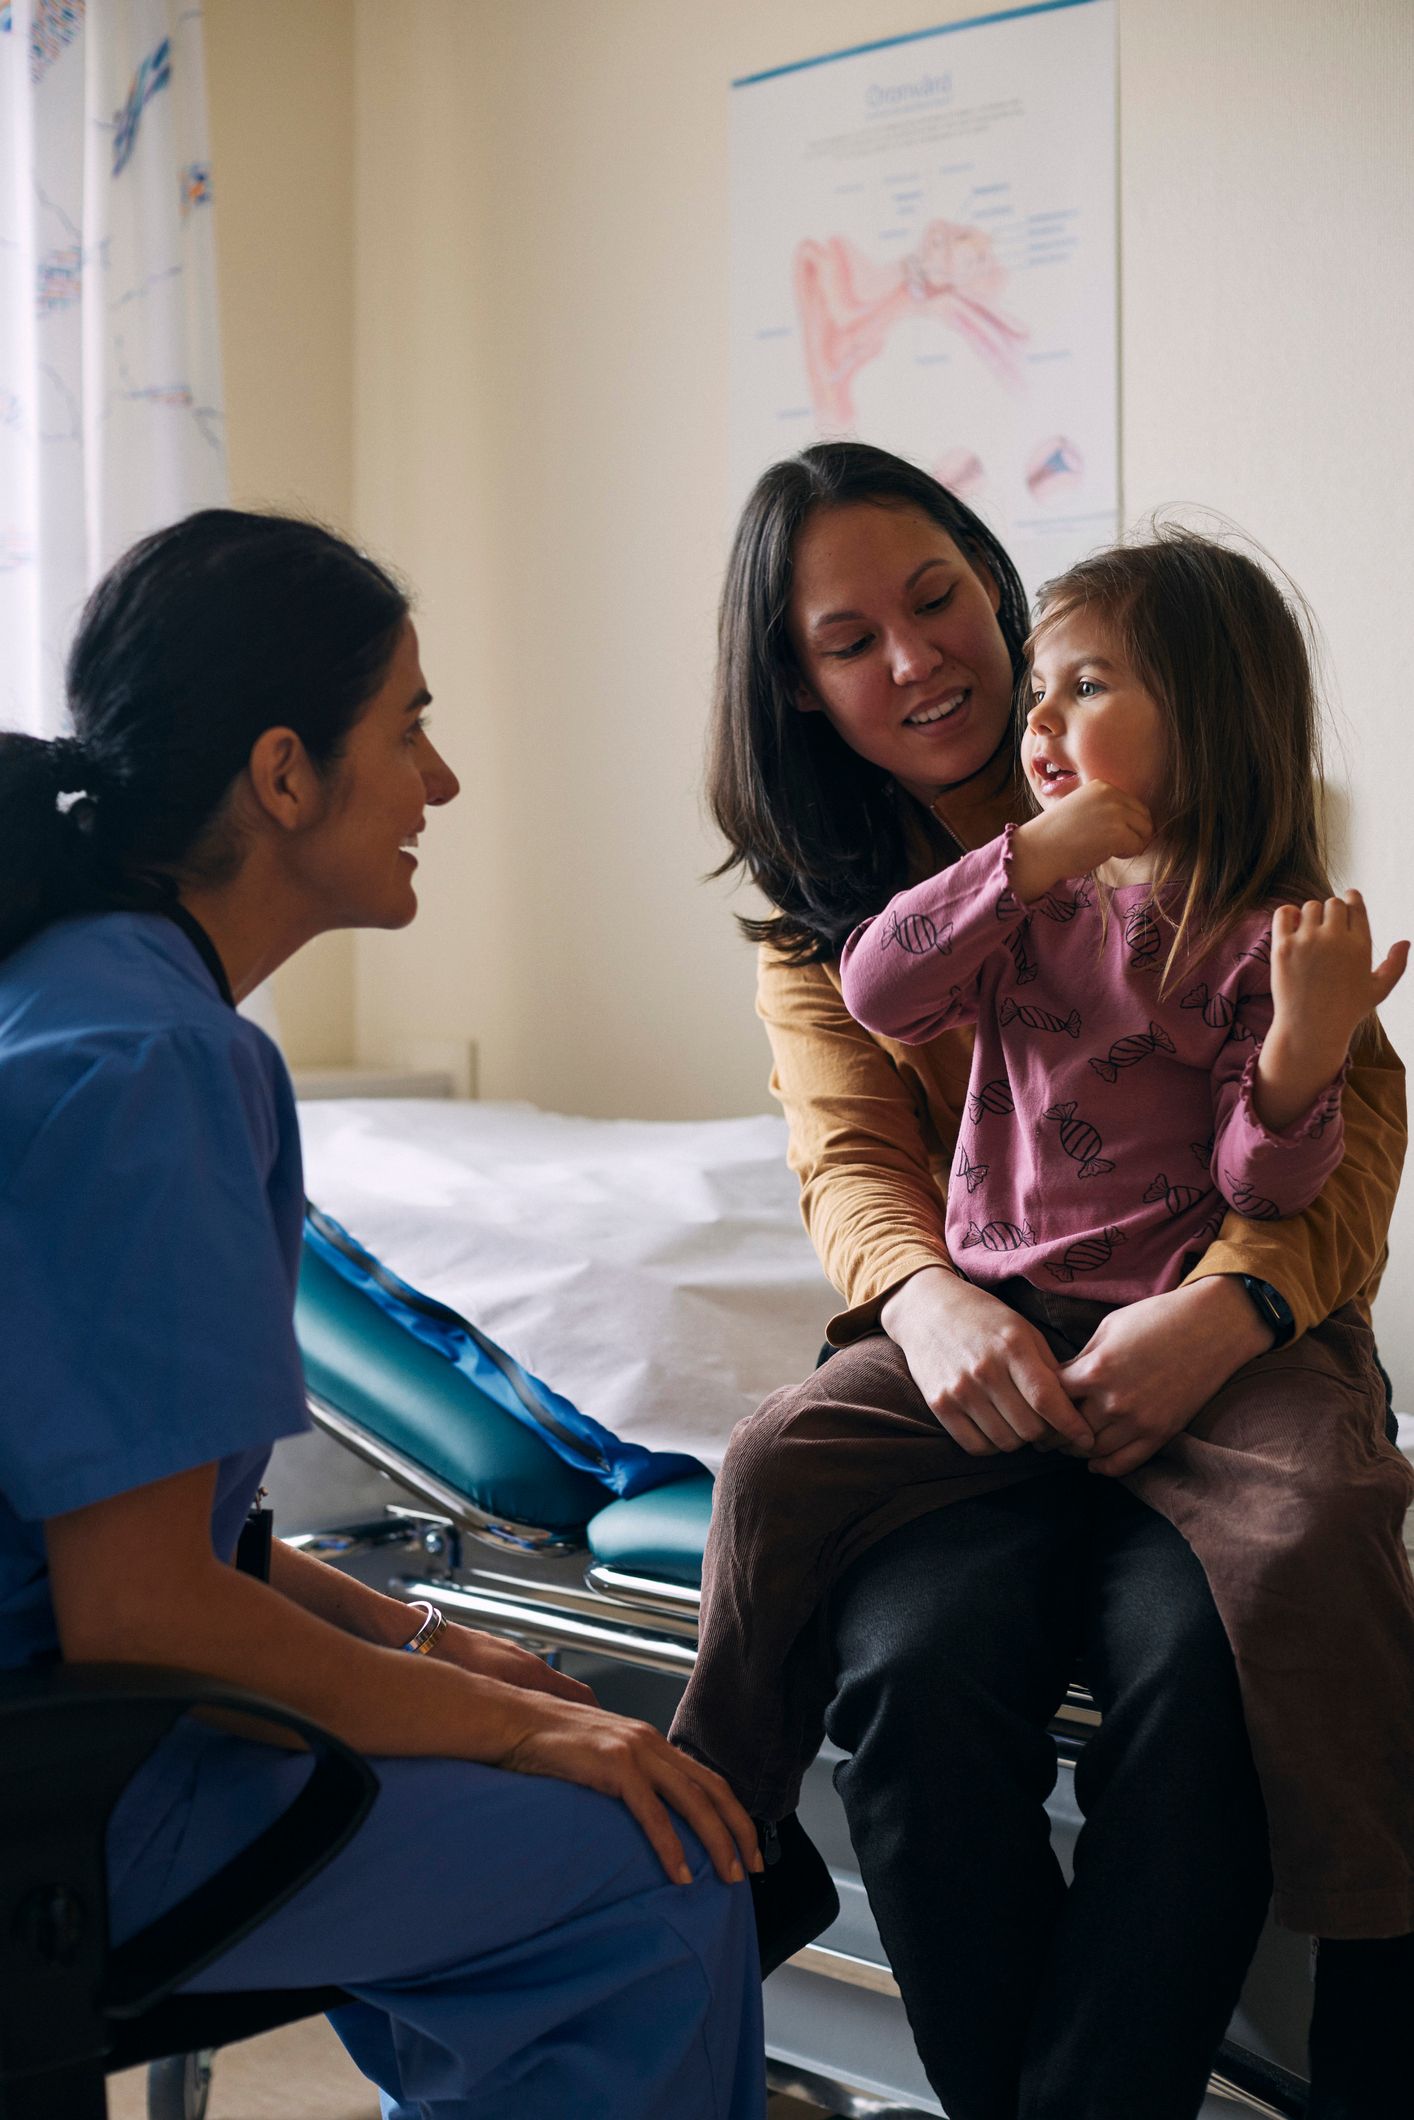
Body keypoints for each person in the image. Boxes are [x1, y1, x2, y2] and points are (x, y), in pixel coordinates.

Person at [670, 445, 1410, 2120]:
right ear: (796, 686)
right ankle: (740, 1853)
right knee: (919, 1676)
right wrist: (933, 1311)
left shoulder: (1206, 830)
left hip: (1214, 1349)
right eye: (849, 639)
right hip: (975, 1360)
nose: (917, 656)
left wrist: (1225, 1310)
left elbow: (1344, 1120)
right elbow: (852, 1157)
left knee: (1205, 1669)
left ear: (996, 596)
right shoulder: (856, 923)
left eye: (935, 601)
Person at [0, 510, 765, 2120]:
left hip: (72, 1726)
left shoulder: (70, 993)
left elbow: (135, 1520)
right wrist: (498, 1731)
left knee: (552, 1795)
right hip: (63, 1794)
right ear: (284, 776)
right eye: (409, 727)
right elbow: (145, 1610)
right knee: (662, 1869)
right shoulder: (155, 1066)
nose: (443, 782)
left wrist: (435, 1642)